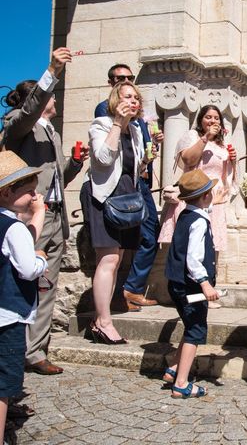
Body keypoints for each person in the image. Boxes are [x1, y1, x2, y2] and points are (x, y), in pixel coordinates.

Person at [2, 47, 88, 375]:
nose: (54, 99)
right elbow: (29, 111)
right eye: (49, 95)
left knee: (47, 286)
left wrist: (75, 164)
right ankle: (15, 349)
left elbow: (55, 177)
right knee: (22, 282)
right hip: (29, 218)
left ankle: (35, 352)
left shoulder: (52, 130)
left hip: (54, 215)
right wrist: (52, 71)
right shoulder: (18, 123)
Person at [81, 82, 151, 344]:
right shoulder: (102, 124)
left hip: (126, 195)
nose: (133, 101)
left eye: (136, 98)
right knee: (107, 259)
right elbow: (102, 159)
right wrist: (117, 123)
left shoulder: (134, 129)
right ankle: (104, 322)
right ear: (115, 99)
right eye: (127, 97)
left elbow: (134, 167)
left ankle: (101, 319)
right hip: (104, 194)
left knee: (117, 259)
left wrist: (146, 158)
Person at [95, 63, 163, 312]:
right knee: (116, 252)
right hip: (117, 188)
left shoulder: (137, 123)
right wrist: (118, 121)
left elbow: (138, 155)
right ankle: (118, 299)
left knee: (142, 239)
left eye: (130, 79)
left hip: (138, 181)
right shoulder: (105, 113)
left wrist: (151, 148)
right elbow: (104, 157)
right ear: (111, 83)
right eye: (119, 79)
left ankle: (129, 290)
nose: (125, 81)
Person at [158, 105, 236, 309]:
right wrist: (205, 139)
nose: (213, 121)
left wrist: (233, 162)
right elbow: (188, 160)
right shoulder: (192, 136)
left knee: (212, 246)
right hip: (196, 195)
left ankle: (209, 289)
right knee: (191, 243)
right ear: (201, 120)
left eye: (216, 118)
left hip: (215, 197)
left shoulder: (221, 145)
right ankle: (185, 289)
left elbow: (224, 175)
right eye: (208, 117)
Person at [0, 151, 48, 444]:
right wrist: (40, 257)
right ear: (7, 192)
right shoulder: (15, 227)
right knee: (4, 384)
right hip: (10, 313)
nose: (34, 196)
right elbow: (28, 269)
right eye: (28, 190)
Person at [164, 169, 220, 398]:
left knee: (190, 327)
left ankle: (173, 369)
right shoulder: (199, 222)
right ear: (206, 196)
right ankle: (182, 383)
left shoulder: (186, 215)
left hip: (176, 283)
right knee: (196, 331)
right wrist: (205, 283)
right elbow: (193, 257)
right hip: (192, 287)